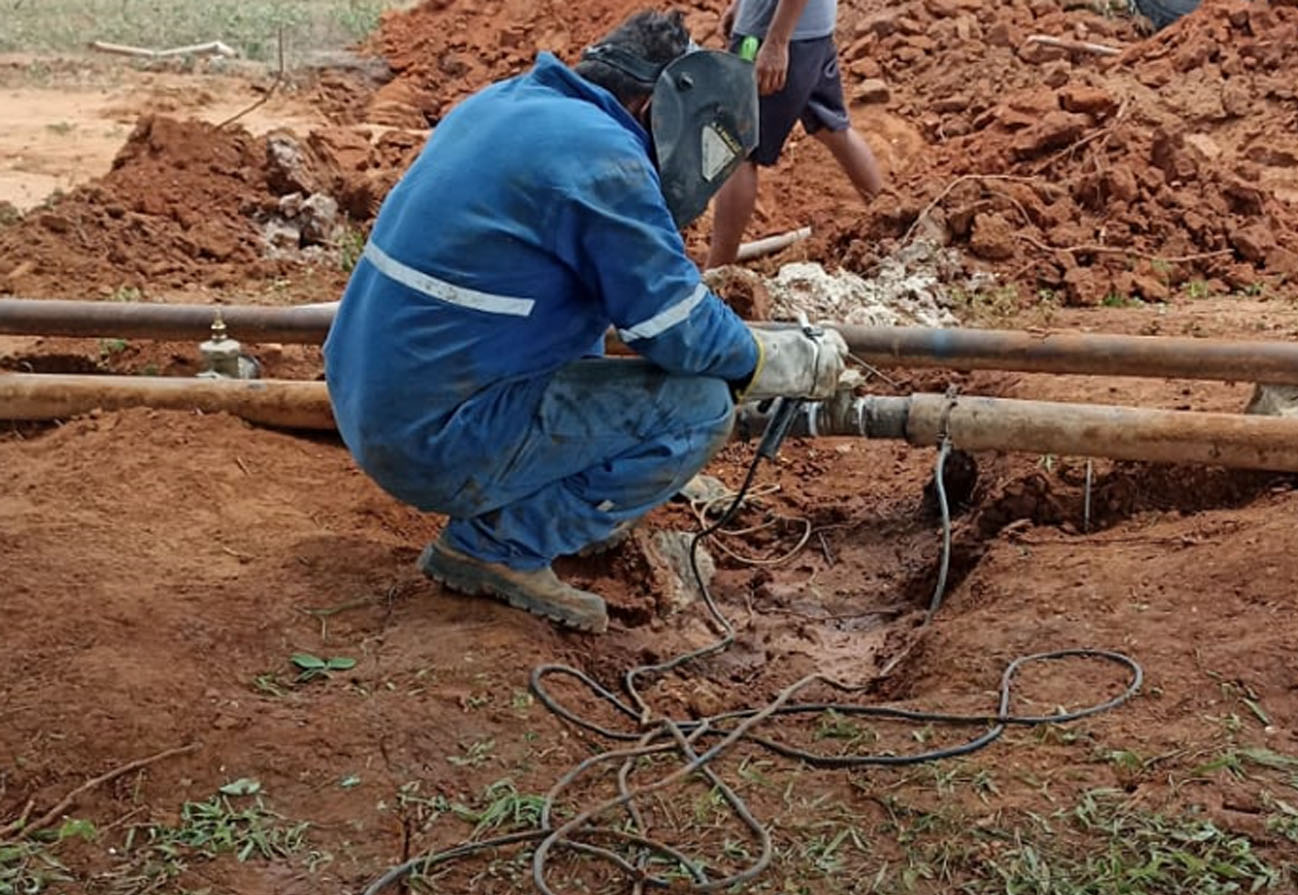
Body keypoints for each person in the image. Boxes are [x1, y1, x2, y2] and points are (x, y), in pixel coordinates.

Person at [324, 10, 847, 635]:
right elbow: (676, 329)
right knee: (698, 407)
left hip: (370, 396)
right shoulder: (603, 163)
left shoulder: (505, 103)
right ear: (656, 105)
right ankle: (498, 548)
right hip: (434, 439)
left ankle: (555, 494)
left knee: (617, 357)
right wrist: (781, 360)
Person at [704, 0, 882, 268]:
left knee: (737, 149)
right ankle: (894, 223)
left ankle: (716, 275)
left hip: (776, 33)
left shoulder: (777, 39)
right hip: (808, 32)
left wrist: (777, 42)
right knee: (830, 126)